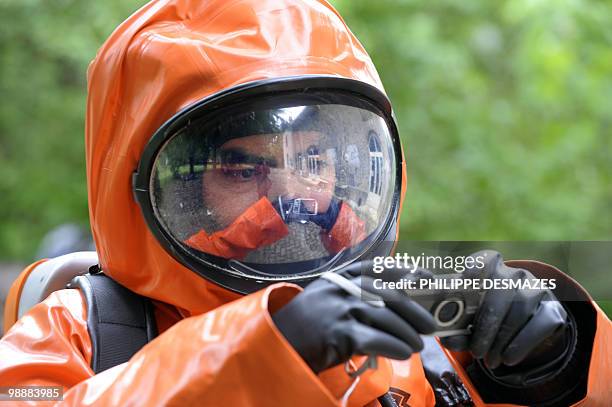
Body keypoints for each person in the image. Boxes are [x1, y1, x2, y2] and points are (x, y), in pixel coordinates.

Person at [0, 1, 609, 406]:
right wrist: (260, 353)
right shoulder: (87, 332)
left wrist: (556, 356)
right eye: (243, 167)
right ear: (163, 190)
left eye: (314, 160)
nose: (293, 194)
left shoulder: (421, 309)